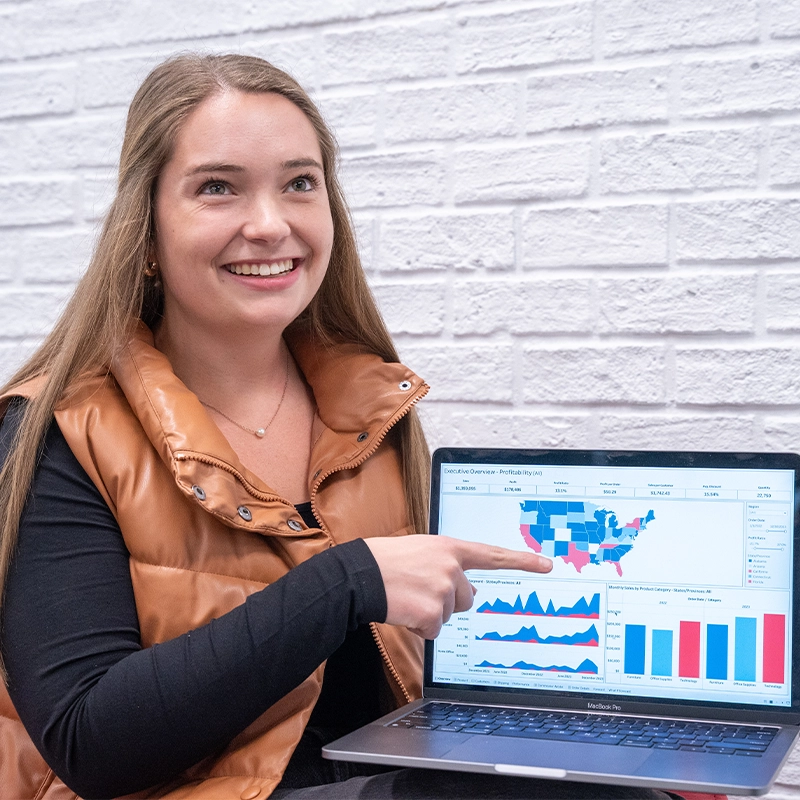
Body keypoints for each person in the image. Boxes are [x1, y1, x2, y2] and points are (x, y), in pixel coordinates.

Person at [0, 54, 721, 800]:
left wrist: (628, 725)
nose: (270, 223)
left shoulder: (374, 414)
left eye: (299, 183)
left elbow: (413, 681)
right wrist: (350, 580)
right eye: (218, 187)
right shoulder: (58, 432)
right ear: (145, 232)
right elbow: (90, 742)